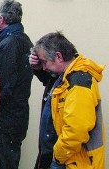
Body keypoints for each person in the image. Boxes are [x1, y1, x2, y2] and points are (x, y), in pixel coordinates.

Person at [32, 32, 105, 169]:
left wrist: (58, 155)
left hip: (71, 162)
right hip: (66, 160)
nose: (44, 67)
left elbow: (76, 131)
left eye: (44, 62)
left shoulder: (78, 83)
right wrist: (37, 68)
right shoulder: (66, 77)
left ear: (58, 56)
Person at [0, 0, 34, 169]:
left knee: (3, 162)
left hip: (6, 119)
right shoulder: (23, 40)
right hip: (16, 116)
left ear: (2, 19)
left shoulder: (10, 44)